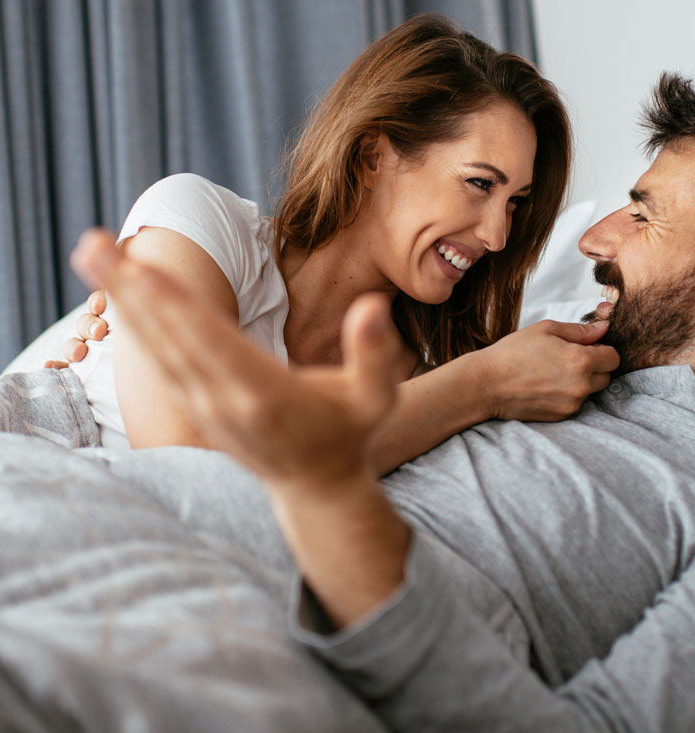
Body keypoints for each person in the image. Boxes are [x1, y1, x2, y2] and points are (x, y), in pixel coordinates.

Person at [65, 71, 695, 731]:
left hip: (205, 625)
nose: (590, 239)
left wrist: (338, 517)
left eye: (642, 217)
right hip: (98, 513)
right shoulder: (527, 370)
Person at [50, 15, 618, 474]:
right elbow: (192, 475)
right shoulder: (200, 224)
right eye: (478, 184)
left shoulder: (419, 392)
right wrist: (483, 384)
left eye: (515, 203)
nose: (498, 237)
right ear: (374, 156)